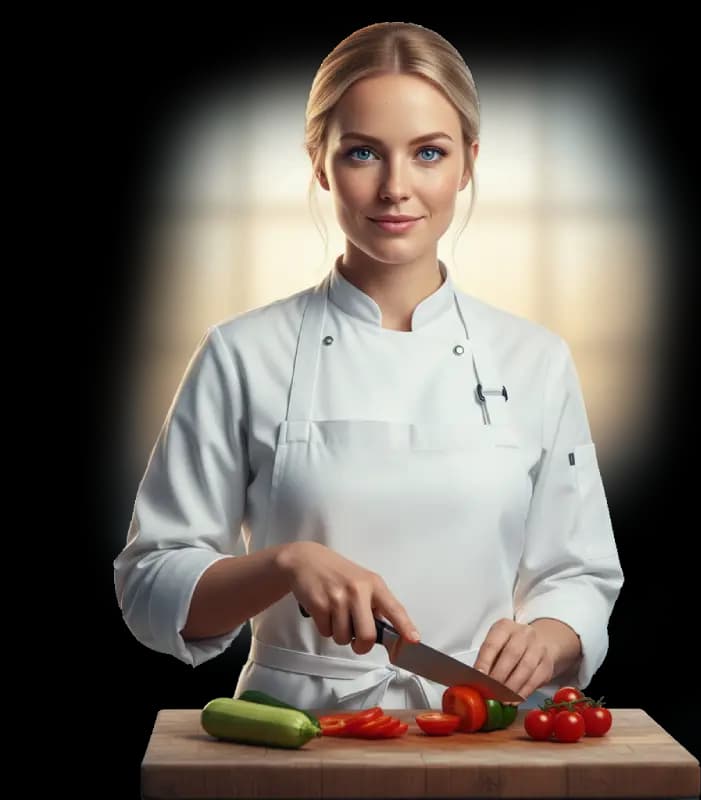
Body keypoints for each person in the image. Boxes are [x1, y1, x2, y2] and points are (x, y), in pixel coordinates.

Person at [113, 21, 624, 713]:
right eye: (362, 153)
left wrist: (555, 633)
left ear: (468, 162)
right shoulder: (241, 354)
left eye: (428, 153)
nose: (395, 187)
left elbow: (579, 572)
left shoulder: (535, 359)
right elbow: (150, 587)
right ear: (319, 162)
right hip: (295, 741)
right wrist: (284, 564)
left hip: (482, 729)